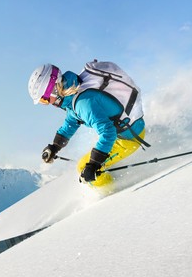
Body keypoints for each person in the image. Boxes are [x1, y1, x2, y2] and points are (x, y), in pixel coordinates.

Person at [27, 60, 149, 189]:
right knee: (89, 162)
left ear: (54, 89)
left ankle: (115, 195)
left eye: (44, 99)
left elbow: (108, 132)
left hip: (129, 139)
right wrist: (55, 147)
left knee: (83, 168)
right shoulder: (74, 92)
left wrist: (94, 164)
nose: (47, 103)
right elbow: (71, 121)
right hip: (128, 130)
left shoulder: (83, 104)